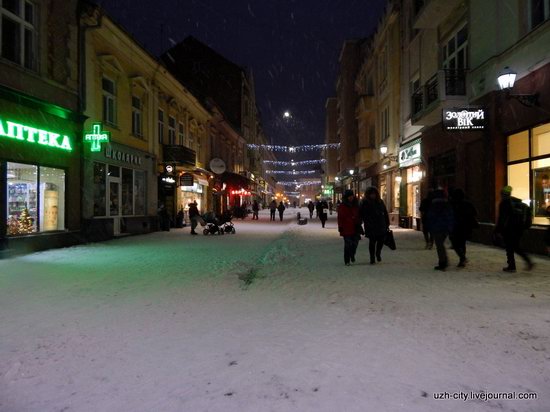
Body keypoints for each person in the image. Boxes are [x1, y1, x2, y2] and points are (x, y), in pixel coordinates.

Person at [495, 186, 534, 272]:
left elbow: (502, 218)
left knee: (510, 247)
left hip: (509, 229)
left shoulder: (505, 203)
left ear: (503, 194)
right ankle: (522, 262)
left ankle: (512, 266)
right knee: (514, 246)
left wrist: (497, 230)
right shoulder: (517, 203)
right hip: (519, 229)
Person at [360, 187, 390, 264]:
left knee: (381, 240)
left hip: (381, 224)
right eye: (371, 194)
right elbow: (362, 214)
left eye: (374, 194)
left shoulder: (380, 202)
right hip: (371, 225)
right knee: (372, 242)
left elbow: (385, 213)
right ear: (368, 195)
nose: (373, 195)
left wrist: (387, 223)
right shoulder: (365, 203)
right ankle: (372, 257)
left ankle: (378, 253)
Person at [449, 188, 478, 268]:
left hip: (457, 226)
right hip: (465, 226)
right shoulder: (467, 203)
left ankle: (462, 258)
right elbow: (475, 213)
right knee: (461, 243)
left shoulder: (453, 204)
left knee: (455, 243)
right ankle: (462, 259)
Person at [427, 189, 454, 271]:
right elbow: (450, 216)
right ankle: (443, 261)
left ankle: (443, 262)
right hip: (444, 227)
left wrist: (430, 226)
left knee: (439, 245)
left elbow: (431, 217)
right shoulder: (447, 205)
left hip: (437, 227)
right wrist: (450, 227)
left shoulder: (434, 206)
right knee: (440, 244)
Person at [338, 190, 361, 266]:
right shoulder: (342, 206)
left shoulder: (356, 204)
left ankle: (352, 254)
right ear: (346, 197)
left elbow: (359, 215)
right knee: (348, 244)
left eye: (352, 196)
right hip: (346, 228)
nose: (351, 198)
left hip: (355, 227)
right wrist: (340, 226)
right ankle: (347, 260)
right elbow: (340, 217)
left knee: (355, 243)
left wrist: (359, 222)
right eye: (349, 196)